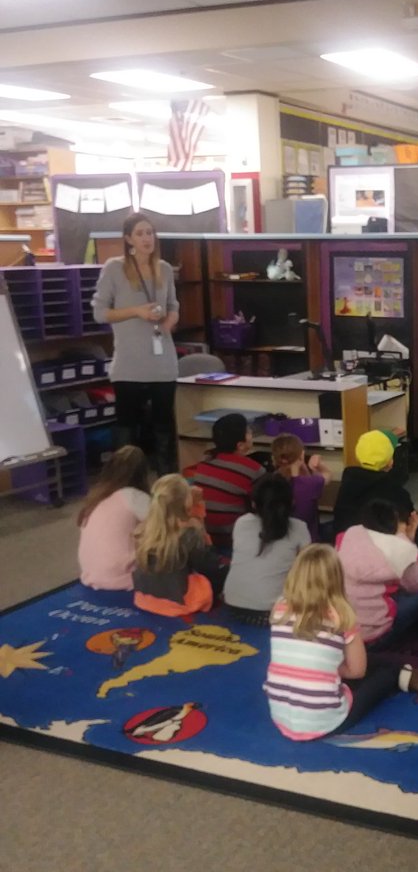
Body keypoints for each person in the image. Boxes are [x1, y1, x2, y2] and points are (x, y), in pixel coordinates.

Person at [264, 545, 418, 740]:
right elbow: (357, 671)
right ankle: (407, 677)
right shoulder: (341, 616)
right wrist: (332, 667)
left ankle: (409, 677)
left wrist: (325, 666)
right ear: (337, 579)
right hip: (327, 721)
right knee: (384, 673)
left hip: (281, 717)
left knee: (358, 662)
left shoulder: (280, 608)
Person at [91, 213, 180, 474]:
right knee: (128, 427)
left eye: (150, 233)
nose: (146, 239)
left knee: (164, 425)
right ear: (129, 239)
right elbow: (99, 313)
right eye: (140, 233)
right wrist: (136, 312)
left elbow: (173, 304)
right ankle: (125, 482)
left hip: (162, 363)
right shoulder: (114, 268)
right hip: (129, 365)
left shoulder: (163, 268)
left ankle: (167, 482)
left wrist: (170, 320)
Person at [337, 499, 418, 647]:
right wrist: (409, 541)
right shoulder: (403, 548)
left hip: (338, 629)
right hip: (373, 635)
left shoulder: (349, 534)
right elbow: (416, 586)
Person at [133, 474, 227, 617]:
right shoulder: (189, 533)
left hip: (143, 598)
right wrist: (198, 513)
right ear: (186, 502)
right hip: (179, 603)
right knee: (222, 572)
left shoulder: (142, 529)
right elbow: (208, 565)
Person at [223, 473, 310, 625]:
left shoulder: (241, 523)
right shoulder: (299, 528)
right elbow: (307, 570)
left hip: (233, 605)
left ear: (254, 503)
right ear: (291, 502)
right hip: (274, 612)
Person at [332, 429, 418, 549]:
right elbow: (409, 522)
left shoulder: (348, 479)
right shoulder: (397, 491)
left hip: (344, 543)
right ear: (390, 462)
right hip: (380, 548)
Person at [77, 445, 151, 590]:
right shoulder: (133, 496)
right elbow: (166, 525)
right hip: (125, 576)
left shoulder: (95, 497)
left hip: (90, 573)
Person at [186, 413, 265, 546]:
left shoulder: (203, 465)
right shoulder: (254, 470)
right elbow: (263, 507)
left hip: (205, 536)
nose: (251, 432)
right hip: (235, 539)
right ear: (240, 445)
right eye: (249, 431)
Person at [271, 432, 331, 542]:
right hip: (308, 542)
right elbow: (327, 475)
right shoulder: (309, 484)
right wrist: (317, 466)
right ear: (301, 455)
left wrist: (301, 466)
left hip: (279, 539)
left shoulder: (271, 482)